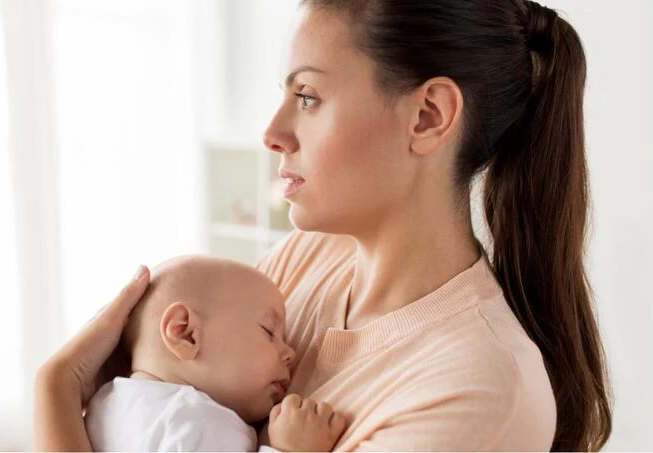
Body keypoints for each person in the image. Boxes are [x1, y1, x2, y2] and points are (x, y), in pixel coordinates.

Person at [35, 0, 612, 450]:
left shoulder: (478, 388)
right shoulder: (305, 259)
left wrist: (57, 390)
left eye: (307, 96)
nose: (273, 131)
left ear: (428, 116)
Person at [83, 255, 346, 451]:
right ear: (186, 333)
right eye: (268, 331)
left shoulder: (103, 405)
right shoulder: (197, 423)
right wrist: (291, 449)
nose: (290, 353)